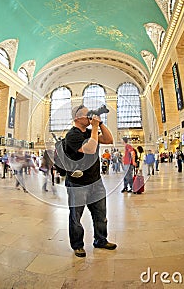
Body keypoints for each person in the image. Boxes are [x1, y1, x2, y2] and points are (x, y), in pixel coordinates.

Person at [63, 105, 116, 257]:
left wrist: (99, 124)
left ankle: (101, 240)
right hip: (77, 184)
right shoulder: (72, 136)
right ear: (77, 118)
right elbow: (91, 148)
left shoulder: (90, 131)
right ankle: (77, 245)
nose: (89, 117)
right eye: (87, 115)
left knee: (101, 215)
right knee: (76, 217)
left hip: (96, 182)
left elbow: (109, 139)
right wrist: (94, 127)